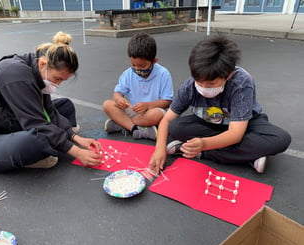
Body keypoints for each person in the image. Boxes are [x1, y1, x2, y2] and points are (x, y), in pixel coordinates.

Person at [149, 35, 291, 174]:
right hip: (209, 123)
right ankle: (246, 155)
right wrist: (159, 149)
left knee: (280, 139)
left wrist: (204, 145)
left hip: (244, 125)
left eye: (211, 84)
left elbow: (236, 133)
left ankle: (202, 153)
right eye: (199, 82)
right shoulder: (190, 86)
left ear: (229, 74)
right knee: (175, 127)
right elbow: (167, 119)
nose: (204, 87)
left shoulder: (241, 83)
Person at [0, 31, 102, 173]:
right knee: (36, 141)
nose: (57, 84)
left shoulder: (36, 69)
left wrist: (75, 137)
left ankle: (51, 145)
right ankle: (35, 153)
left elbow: (49, 111)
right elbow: (36, 123)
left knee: (65, 106)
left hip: (10, 121)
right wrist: (76, 152)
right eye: (57, 79)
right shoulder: (15, 74)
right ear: (42, 63)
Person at [102, 32, 174, 140]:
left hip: (153, 111)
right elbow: (117, 93)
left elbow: (167, 101)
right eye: (133, 65)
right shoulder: (128, 73)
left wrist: (147, 105)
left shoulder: (163, 74)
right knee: (107, 104)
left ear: (154, 61)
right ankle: (137, 129)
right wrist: (119, 99)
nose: (137, 69)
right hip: (134, 111)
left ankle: (121, 124)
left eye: (142, 66)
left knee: (156, 115)